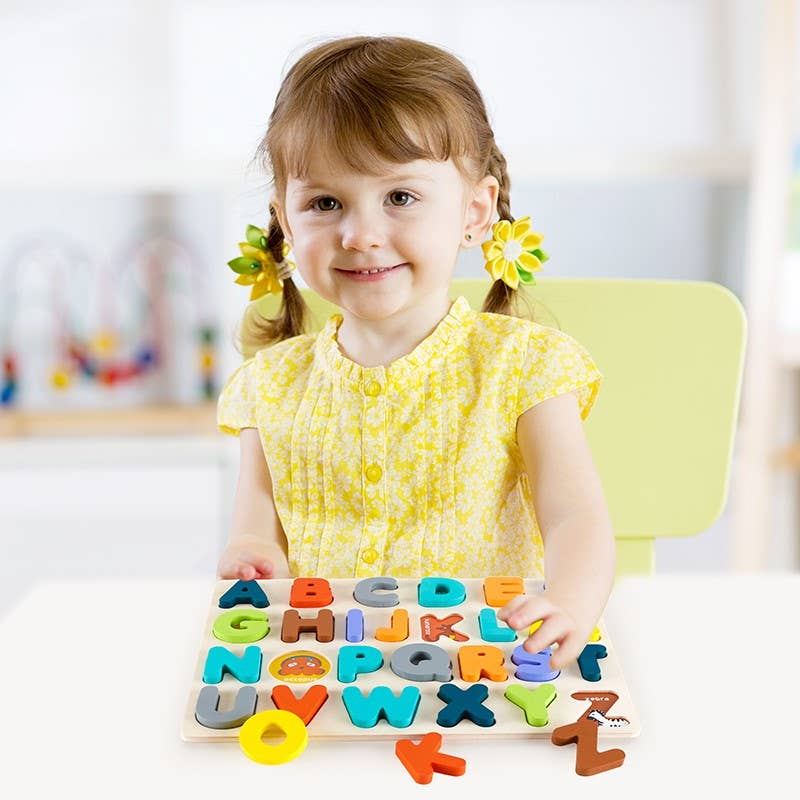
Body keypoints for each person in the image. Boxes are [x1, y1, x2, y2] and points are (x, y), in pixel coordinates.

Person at [215, 35, 615, 669]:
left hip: (488, 664)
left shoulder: (525, 367)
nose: (360, 234)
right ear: (286, 222)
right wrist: (253, 554)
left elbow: (575, 515)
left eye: (399, 197)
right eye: (324, 203)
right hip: (331, 671)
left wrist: (570, 600)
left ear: (474, 213)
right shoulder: (268, 384)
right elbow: (255, 523)